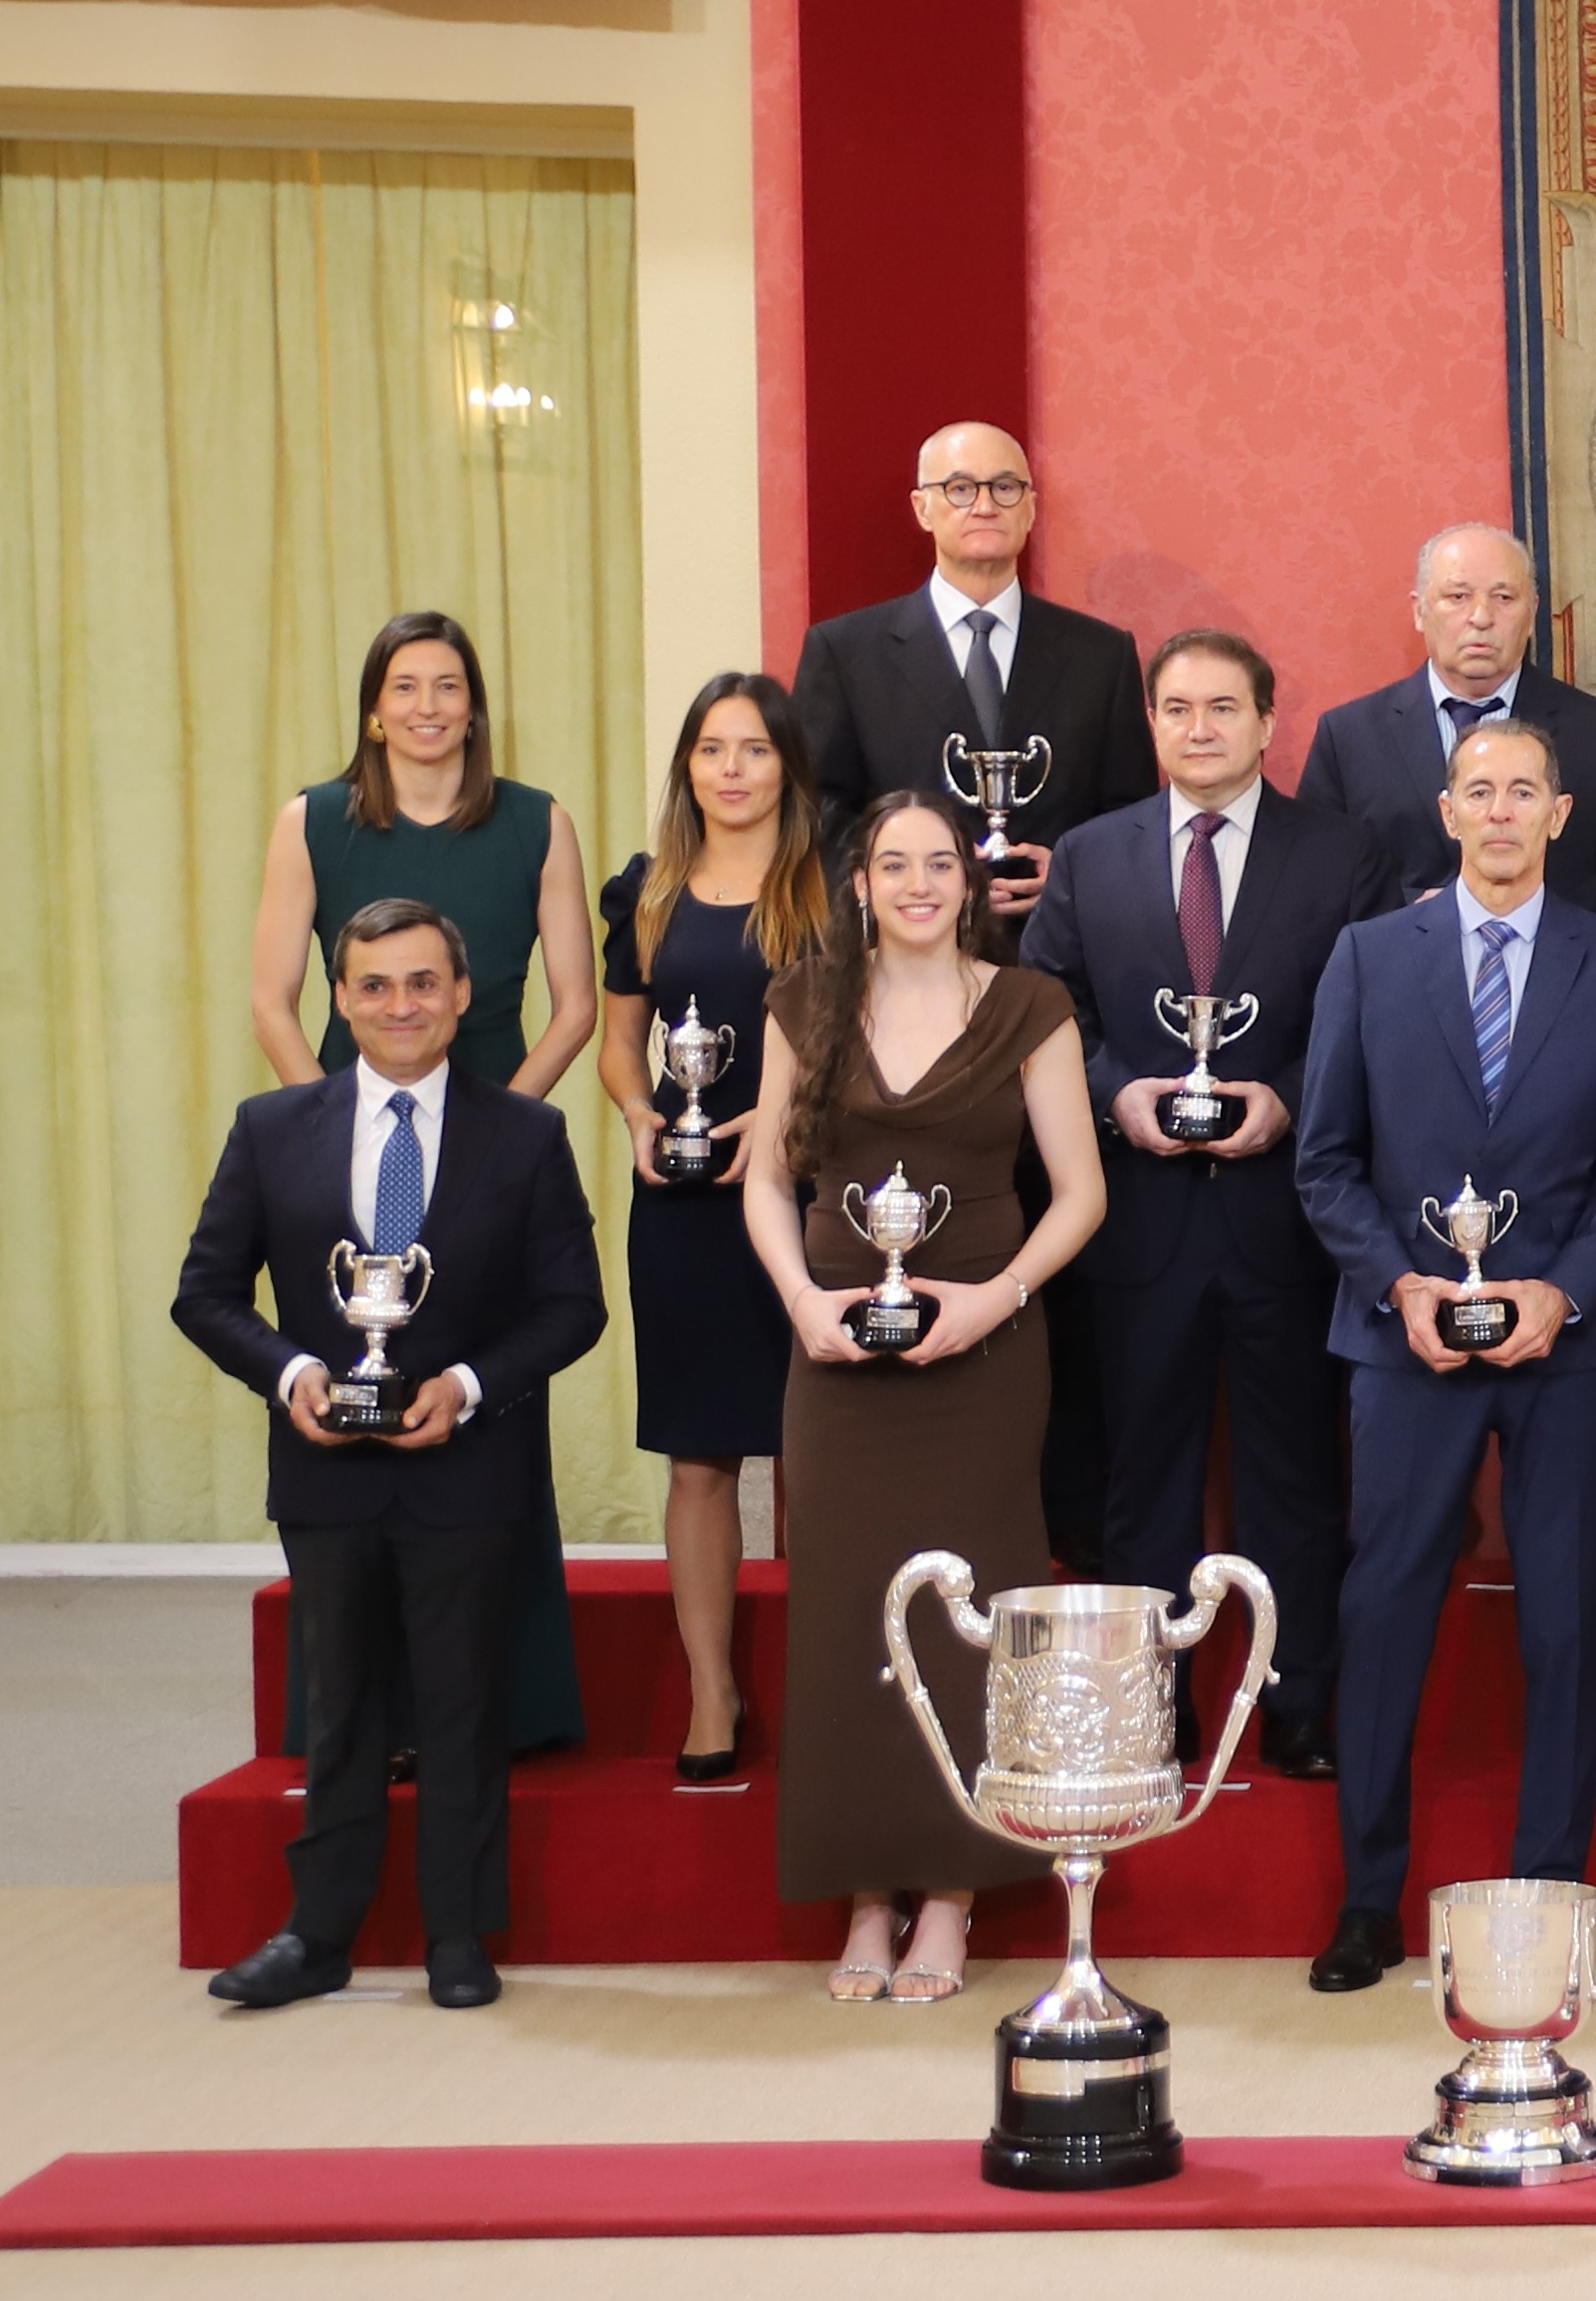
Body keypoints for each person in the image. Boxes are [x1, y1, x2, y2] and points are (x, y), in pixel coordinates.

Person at [171, 899, 612, 2012]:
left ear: (463, 994)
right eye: (373, 985)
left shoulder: (527, 1134)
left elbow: (574, 1308)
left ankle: (459, 1934)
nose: (399, 1005)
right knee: (340, 1709)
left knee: (463, 1703)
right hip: (325, 1470)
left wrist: (466, 1386)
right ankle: (317, 1934)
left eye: (422, 982)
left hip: (467, 1468)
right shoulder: (272, 1127)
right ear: (340, 999)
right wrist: (291, 1374)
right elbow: (205, 1292)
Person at [1287, 716, 1596, 1992]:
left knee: (1566, 1618)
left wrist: (1561, 1290)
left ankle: (1549, 1897)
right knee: (1385, 1607)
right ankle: (1368, 1899)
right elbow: (1325, 1159)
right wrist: (1398, 1284)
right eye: (1478, 790)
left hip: (1571, 1342)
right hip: (1407, 1340)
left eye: (1524, 791)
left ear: (1560, 814)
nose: (1500, 811)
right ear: (1445, 811)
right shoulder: (1367, 955)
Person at [742, 794, 1106, 2005]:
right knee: (848, 1610)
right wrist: (802, 1302)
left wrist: (995, 1300)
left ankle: (950, 1890)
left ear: (969, 880)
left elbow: (1079, 1191)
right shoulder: (802, 1001)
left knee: (968, 1607)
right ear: (858, 882)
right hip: (837, 1360)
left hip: (985, 1359)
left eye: (938, 862)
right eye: (892, 863)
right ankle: (866, 1891)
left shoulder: (1030, 1004)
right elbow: (766, 1183)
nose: (916, 883)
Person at [1014, 629, 1394, 1780]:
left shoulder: (1342, 853)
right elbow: (1044, 1004)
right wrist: (1112, 1091)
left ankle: (1298, 1706)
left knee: (1297, 1479)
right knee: (1145, 1480)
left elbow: (1372, 1013)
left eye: (1224, 707)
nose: (1199, 728)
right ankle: (1152, 1710)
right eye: (1177, 708)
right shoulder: (1091, 854)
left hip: (1290, 1220)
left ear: (1268, 721)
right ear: (1152, 721)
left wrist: (1287, 1100)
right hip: (1138, 1219)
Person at [594, 673, 830, 1786]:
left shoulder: (831, 890)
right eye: (711, 749)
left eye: (754, 749)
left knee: (820, 1450)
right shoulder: (645, 892)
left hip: (810, 1195)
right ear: (687, 765)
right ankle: (710, 1689)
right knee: (699, 1458)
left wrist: (778, 1123)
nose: (731, 769)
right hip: (684, 1202)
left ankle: (835, 1686)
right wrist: (642, 1114)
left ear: (788, 765)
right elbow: (620, 1044)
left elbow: (864, 1036)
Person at [785, 422, 1146, 912]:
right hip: (904, 938)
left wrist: (1074, 873)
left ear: (1030, 508)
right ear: (922, 508)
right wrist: (911, 878)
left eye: (1005, 487)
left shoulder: (1102, 656)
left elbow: (1131, 814)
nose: (985, 505)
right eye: (960, 488)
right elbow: (817, 812)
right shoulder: (844, 652)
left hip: (1056, 940)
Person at [252, 610, 600, 1102]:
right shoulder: (308, 823)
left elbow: (577, 1009)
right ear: (374, 710)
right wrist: (327, 1121)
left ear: (473, 709)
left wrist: (508, 1124)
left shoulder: (542, 824)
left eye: (448, 687)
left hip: (495, 1111)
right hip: (350, 1119)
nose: (428, 707)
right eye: (405, 688)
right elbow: (271, 1006)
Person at [1288, 523, 1596, 914]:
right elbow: (1316, 880)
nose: (1481, 617)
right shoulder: (1349, 738)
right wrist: (1415, 912)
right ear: (1419, 610)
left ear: (1532, 612)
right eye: (1458, 597)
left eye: (1504, 597)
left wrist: (1524, 909)